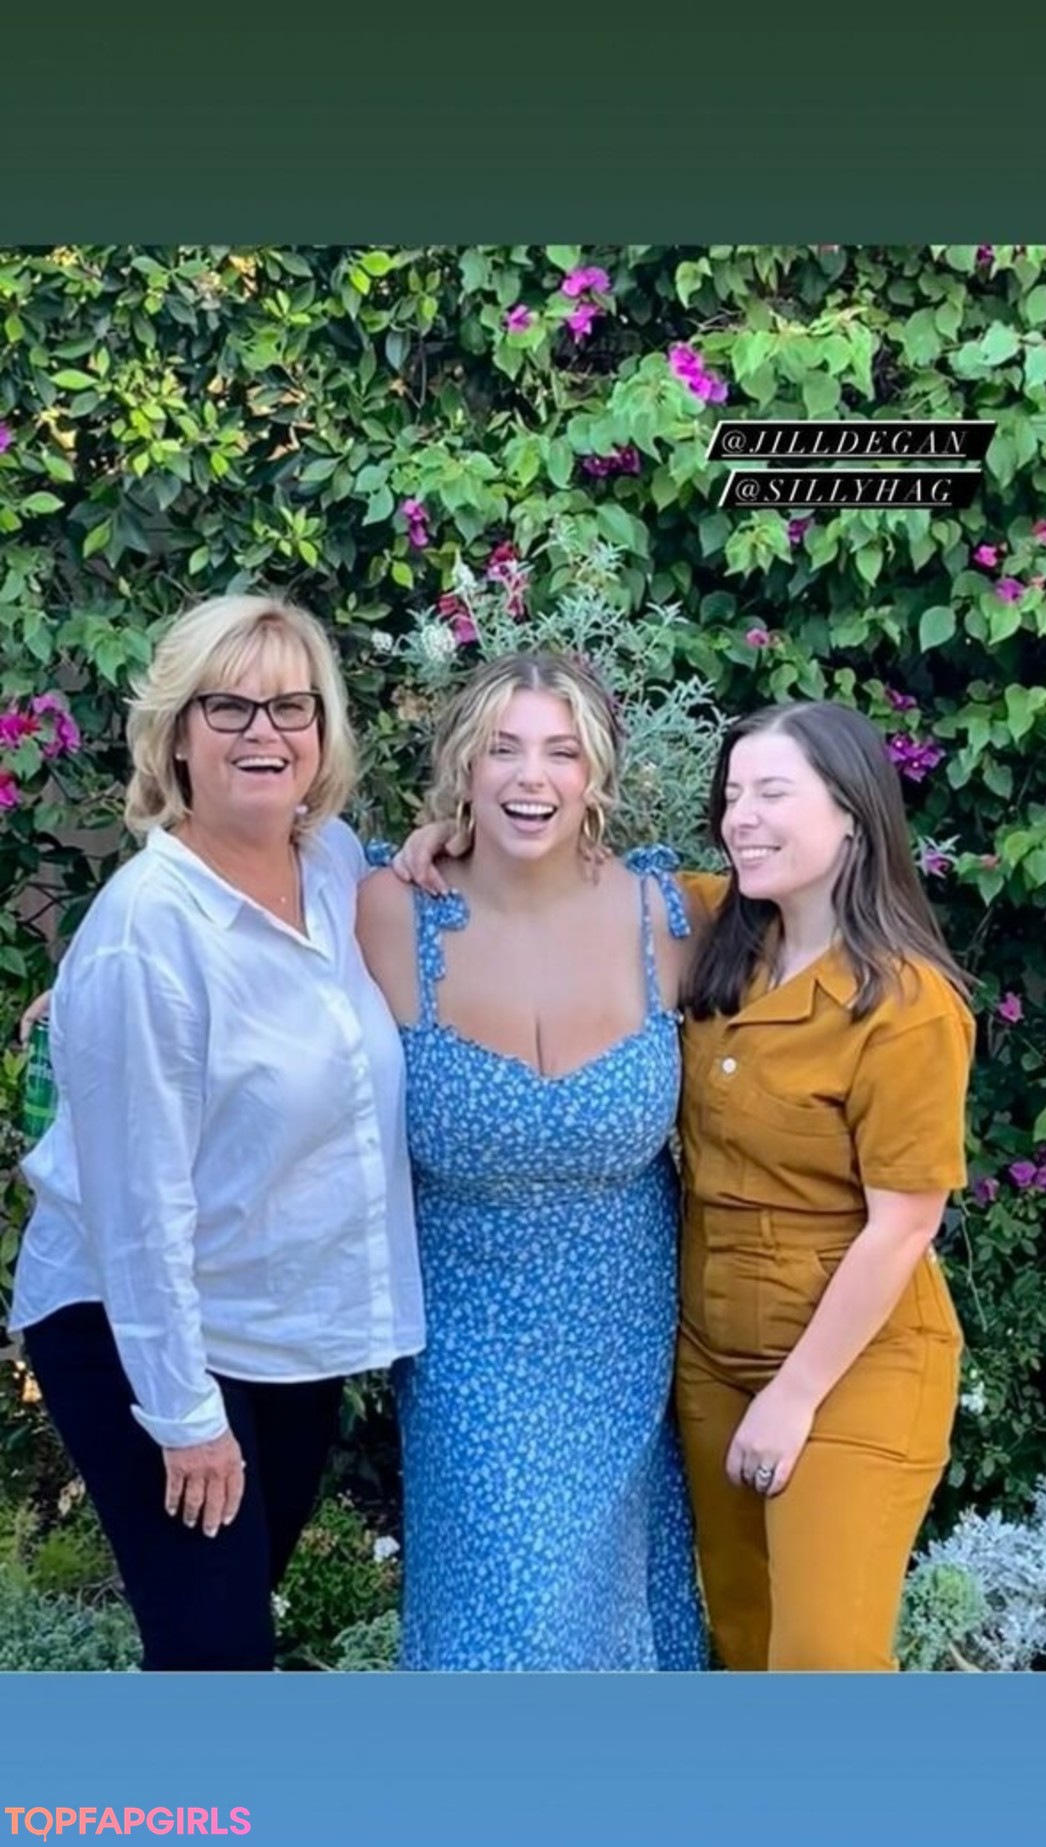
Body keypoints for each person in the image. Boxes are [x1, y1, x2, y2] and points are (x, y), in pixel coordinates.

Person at [8, 594, 424, 1672]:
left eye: (291, 706)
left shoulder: (332, 865)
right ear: (177, 735)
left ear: (322, 730)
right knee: (218, 1656)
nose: (263, 732)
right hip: (137, 1326)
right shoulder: (148, 931)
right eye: (228, 706)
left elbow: (422, 900)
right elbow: (138, 1211)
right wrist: (184, 1415)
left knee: (217, 1641)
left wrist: (437, 844)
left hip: (276, 1319)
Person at [356, 650, 707, 1670]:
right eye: (503, 749)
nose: (531, 776)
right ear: (463, 766)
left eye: (562, 751)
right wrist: (95, 996)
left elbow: (824, 919)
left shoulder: (672, 916)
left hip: (626, 1340)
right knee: (505, 1616)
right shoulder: (386, 909)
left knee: (615, 1611)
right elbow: (252, 967)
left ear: (597, 775)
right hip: (464, 1350)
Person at [675, 700, 973, 1671]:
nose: (741, 818)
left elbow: (904, 1225)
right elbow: (565, 882)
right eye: (732, 796)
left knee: (822, 1660)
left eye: (773, 793)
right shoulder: (713, 925)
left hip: (853, 1367)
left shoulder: (908, 1004)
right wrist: (440, 843)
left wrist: (793, 1395)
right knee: (744, 1638)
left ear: (852, 812)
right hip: (713, 1354)